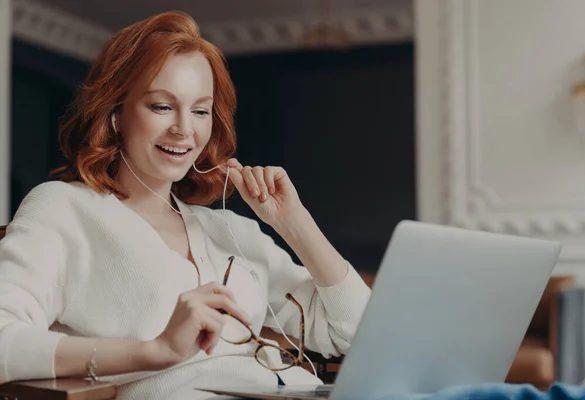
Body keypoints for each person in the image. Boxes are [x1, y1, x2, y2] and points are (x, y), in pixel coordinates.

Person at [0, 10, 371, 400]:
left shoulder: (231, 229)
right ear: (114, 115)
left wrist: (295, 223)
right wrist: (154, 350)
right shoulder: (64, 208)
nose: (184, 128)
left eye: (200, 110)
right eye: (162, 106)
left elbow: (360, 334)